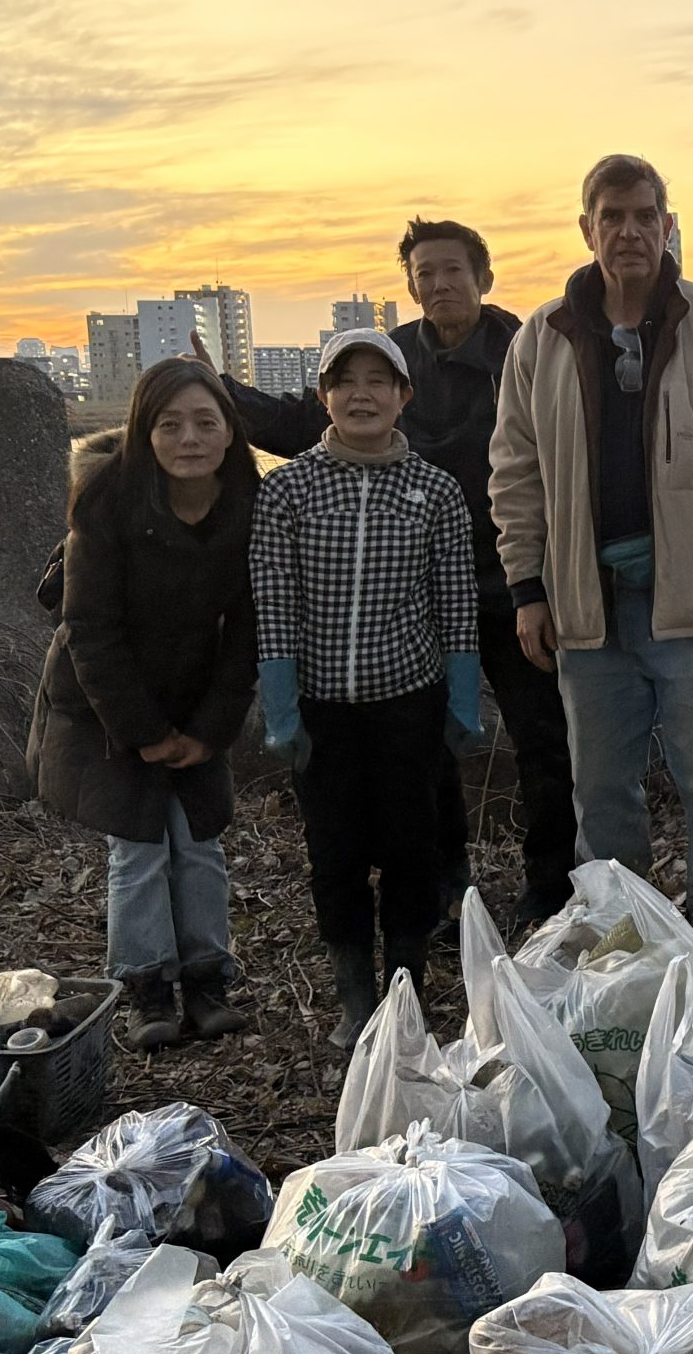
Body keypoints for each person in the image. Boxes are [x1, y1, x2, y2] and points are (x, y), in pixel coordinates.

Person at [224, 218, 577, 932]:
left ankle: (552, 885)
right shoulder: (393, 362)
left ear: (483, 278)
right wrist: (218, 392)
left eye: (453, 270)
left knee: (544, 737)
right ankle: (445, 884)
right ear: (410, 285)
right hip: (420, 586)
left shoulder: (523, 352)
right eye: (425, 274)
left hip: (516, 578)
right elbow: (305, 421)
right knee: (432, 744)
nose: (440, 284)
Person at [489, 154, 693, 933]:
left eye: (644, 215)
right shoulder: (541, 339)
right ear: (587, 227)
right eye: (612, 216)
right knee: (602, 787)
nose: (629, 231)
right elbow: (514, 472)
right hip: (587, 610)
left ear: (667, 224)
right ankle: (624, 934)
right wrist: (527, 587)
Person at [252, 329, 482, 1041]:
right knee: (336, 851)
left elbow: (456, 602)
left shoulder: (434, 491)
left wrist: (463, 700)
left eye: (378, 381)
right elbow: (274, 602)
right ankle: (354, 991)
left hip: (408, 701)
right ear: (324, 396)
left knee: (414, 847)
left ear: (402, 397)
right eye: (344, 380)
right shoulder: (288, 489)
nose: (361, 393)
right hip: (323, 712)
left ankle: (405, 985)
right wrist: (283, 711)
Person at [28, 359, 260, 1049]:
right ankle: (146, 986)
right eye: (169, 424)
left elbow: (251, 629)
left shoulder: (250, 503)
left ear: (228, 433)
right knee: (137, 847)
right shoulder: (108, 502)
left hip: (197, 701)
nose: (189, 438)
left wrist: (211, 728)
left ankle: (208, 976)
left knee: (199, 842)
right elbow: (89, 630)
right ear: (143, 431)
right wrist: (146, 732)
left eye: (205, 422)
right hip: (107, 702)